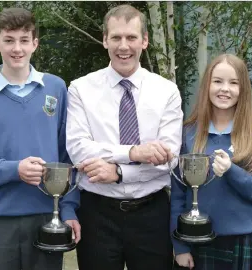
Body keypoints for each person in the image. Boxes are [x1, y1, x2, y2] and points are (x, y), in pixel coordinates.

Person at [65, 4, 183, 270]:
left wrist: (119, 173)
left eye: (131, 37)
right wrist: (132, 153)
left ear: (145, 40)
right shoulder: (81, 89)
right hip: (97, 213)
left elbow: (169, 158)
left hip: (151, 213)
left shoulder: (167, 92)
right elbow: (79, 150)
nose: (123, 46)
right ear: (105, 39)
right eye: (116, 37)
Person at [0, 8, 81, 270]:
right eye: (9, 40)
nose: (17, 48)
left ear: (35, 43)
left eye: (24, 40)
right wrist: (15, 170)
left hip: (49, 214)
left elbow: (67, 156)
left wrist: (68, 210)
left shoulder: (56, 88)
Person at [170, 54, 252, 269]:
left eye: (233, 83)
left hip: (244, 240)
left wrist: (232, 171)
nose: (224, 89)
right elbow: (176, 196)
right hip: (195, 242)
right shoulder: (188, 133)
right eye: (217, 81)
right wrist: (180, 247)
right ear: (207, 86)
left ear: (244, 89)